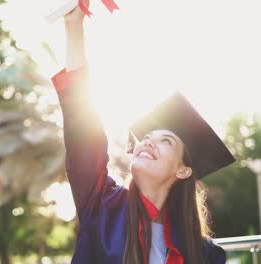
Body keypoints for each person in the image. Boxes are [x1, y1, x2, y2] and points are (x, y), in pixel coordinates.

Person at [50, 2, 236, 264]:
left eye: (166, 141)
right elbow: (83, 132)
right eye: (147, 137)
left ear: (182, 170)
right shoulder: (102, 205)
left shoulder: (206, 254)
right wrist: (73, 26)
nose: (148, 142)